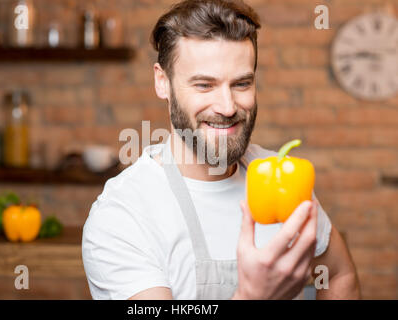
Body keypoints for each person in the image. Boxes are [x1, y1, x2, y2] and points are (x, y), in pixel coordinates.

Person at [82, 0, 361, 300]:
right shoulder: (124, 214)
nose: (227, 107)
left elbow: (339, 275)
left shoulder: (280, 175)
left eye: (241, 84)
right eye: (204, 85)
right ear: (163, 82)